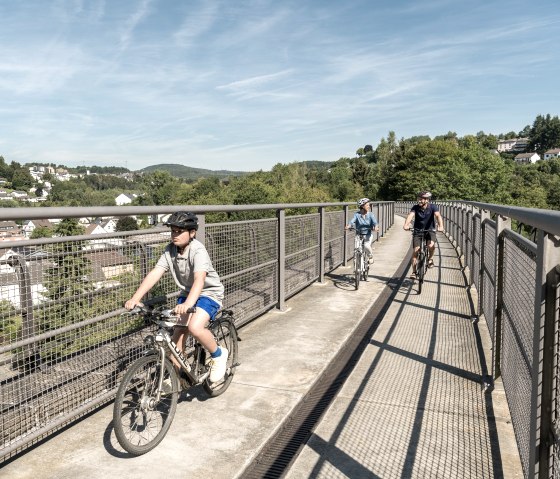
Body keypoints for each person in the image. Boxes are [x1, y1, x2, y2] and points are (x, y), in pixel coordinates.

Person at [125, 211, 227, 390]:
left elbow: (199, 280)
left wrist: (188, 304)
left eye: (180, 231)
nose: (175, 235)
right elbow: (155, 273)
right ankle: (178, 376)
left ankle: (219, 355)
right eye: (173, 231)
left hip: (208, 293)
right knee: (177, 333)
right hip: (188, 293)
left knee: (195, 327)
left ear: (192, 233)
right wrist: (136, 298)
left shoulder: (197, 250)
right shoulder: (170, 250)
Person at [403, 191, 444, 278]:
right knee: (416, 250)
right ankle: (414, 272)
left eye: (421, 199)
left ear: (427, 200)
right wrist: (406, 224)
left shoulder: (433, 207)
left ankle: (430, 259)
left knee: (431, 245)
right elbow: (411, 216)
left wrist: (441, 226)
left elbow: (438, 216)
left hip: (430, 230)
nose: (419, 200)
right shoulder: (415, 207)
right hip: (418, 231)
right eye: (419, 198)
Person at [345, 198, 380, 264]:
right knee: (357, 247)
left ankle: (370, 257)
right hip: (359, 234)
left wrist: (376, 227)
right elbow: (352, 221)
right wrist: (349, 225)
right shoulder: (357, 214)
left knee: (366, 245)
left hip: (368, 234)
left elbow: (375, 223)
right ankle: (357, 262)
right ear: (362, 206)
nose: (369, 207)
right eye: (367, 205)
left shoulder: (370, 215)